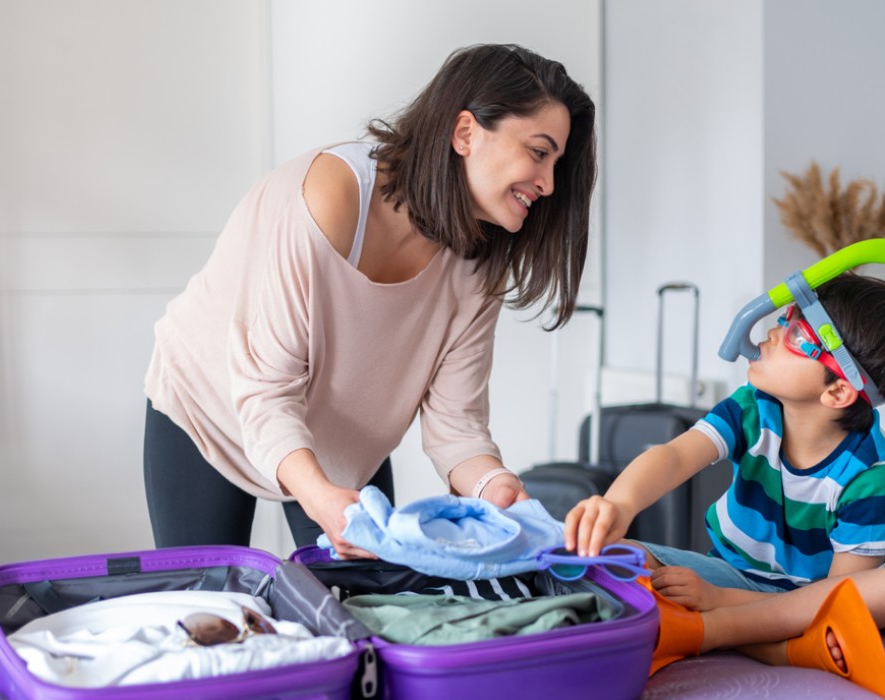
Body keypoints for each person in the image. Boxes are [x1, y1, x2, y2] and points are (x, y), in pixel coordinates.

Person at [143, 44, 597, 558]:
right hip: (213, 407)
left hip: (345, 440)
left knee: (363, 614)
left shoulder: (481, 258)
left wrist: (497, 487)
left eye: (557, 162)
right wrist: (319, 498)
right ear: (466, 133)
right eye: (539, 152)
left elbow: (456, 425)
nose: (549, 183)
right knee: (211, 604)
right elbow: (266, 393)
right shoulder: (331, 198)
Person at [564, 273, 885, 699]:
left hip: (819, 595)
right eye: (787, 317)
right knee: (615, 558)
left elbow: (836, 597)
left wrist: (720, 605)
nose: (774, 331)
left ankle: (717, 631)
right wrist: (619, 503)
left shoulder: (871, 475)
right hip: (735, 575)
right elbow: (675, 456)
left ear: (836, 391)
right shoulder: (752, 409)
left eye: (796, 333)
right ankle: (784, 648)